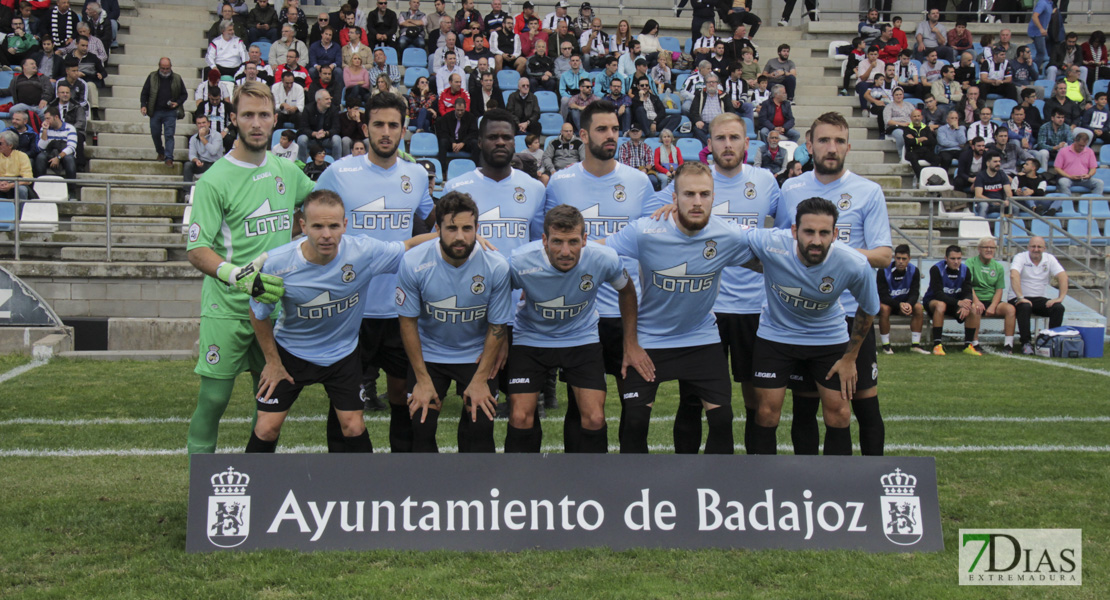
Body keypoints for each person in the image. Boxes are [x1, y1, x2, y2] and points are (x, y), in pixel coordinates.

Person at [185, 81, 316, 455]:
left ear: (275, 119)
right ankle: (200, 499)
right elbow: (196, 249)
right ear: (234, 119)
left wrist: (381, 162)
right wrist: (239, 277)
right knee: (213, 402)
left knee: (272, 410)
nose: (256, 123)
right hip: (227, 311)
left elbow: (322, 199)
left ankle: (256, 487)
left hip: (273, 311)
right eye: (247, 115)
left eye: (263, 115)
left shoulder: (286, 171)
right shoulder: (213, 181)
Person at [245, 190, 431, 454]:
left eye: (334, 225)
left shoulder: (363, 251)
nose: (326, 235)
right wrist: (273, 362)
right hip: (292, 352)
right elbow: (258, 313)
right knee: (266, 428)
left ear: (345, 224)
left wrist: (462, 239)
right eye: (318, 226)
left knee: (353, 426)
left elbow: (409, 246)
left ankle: (362, 492)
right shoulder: (277, 263)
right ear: (303, 226)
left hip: (342, 354)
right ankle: (251, 491)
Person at [648, 113, 782, 454]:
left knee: (755, 397)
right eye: (720, 138)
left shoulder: (765, 181)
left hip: (754, 308)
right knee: (693, 397)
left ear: (746, 143)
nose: (727, 145)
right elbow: (649, 213)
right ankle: (690, 475)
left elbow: (786, 232)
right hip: (704, 309)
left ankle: (753, 476)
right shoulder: (695, 181)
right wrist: (664, 210)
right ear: (709, 144)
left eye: (734, 138)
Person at [313, 91, 436, 452]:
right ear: (365, 127)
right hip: (350, 306)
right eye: (378, 124)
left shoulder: (415, 174)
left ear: (404, 130)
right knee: (346, 394)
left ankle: (401, 473)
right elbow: (313, 225)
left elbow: (429, 224)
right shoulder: (338, 173)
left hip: (400, 307)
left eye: (393, 125)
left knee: (401, 392)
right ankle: (345, 477)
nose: (385, 132)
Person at [602, 161, 750, 454]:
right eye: (689, 194)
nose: (697, 202)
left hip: (700, 339)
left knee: (722, 420)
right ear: (674, 198)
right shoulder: (646, 232)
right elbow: (594, 251)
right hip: (650, 339)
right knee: (634, 421)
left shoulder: (729, 235)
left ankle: (704, 492)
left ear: (713, 197)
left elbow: (778, 253)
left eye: (704, 194)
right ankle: (636, 494)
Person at [778, 111, 892, 458]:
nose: (832, 148)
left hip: (851, 316)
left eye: (839, 141)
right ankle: (811, 485)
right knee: (804, 408)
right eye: (824, 140)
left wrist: (831, 253)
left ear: (849, 146)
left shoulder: (868, 191)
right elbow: (783, 245)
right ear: (809, 144)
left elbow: (884, 255)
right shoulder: (791, 189)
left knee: (863, 406)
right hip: (805, 316)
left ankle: (872, 482)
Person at [542, 101, 654, 449]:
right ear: (583, 134)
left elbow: (652, 241)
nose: (611, 136)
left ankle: (630, 492)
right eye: (603, 129)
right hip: (582, 314)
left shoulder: (639, 182)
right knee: (583, 410)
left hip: (629, 314)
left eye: (615, 129)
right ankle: (584, 489)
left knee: (636, 413)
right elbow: (546, 245)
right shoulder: (560, 183)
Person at [748, 197, 880, 456]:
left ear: (836, 234)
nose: (816, 240)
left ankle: (835, 487)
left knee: (840, 413)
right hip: (776, 336)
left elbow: (868, 308)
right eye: (809, 231)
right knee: (766, 411)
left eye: (824, 233)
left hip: (827, 338)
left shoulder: (854, 263)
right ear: (795, 231)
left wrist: (850, 357)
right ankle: (763, 484)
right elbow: (724, 233)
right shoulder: (771, 243)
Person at [396, 191, 512, 453]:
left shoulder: (496, 266)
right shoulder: (413, 262)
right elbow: (407, 324)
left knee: (480, 424)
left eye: (467, 228)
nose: (460, 236)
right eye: (451, 228)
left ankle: (475, 490)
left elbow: (497, 327)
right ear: (437, 229)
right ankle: (430, 491)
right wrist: (422, 380)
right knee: (421, 423)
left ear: (477, 229)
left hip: (474, 355)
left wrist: (481, 379)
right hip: (430, 354)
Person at [1010, 236, 1068, 355]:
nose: (1036, 249)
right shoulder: (1020, 257)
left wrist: (1060, 298)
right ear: (1028, 247)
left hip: (1039, 298)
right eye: (1033, 246)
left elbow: (1063, 276)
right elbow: (1013, 275)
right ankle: (1026, 343)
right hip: (1018, 297)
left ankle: (1050, 341)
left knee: (1058, 308)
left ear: (1044, 248)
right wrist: (1021, 297)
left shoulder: (1049, 258)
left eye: (1039, 247)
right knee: (1024, 306)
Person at [921, 245, 982, 356]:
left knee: (973, 308)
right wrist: (959, 303)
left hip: (954, 303)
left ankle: (968, 345)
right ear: (946, 258)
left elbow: (968, 291)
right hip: (933, 301)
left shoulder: (965, 270)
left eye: (959, 258)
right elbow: (938, 294)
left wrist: (966, 304)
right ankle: (937, 345)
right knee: (941, 305)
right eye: (953, 258)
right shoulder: (936, 269)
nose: (956, 261)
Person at [967, 237, 1018, 353]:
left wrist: (993, 306)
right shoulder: (971, 263)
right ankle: (974, 343)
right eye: (986, 247)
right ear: (979, 249)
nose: (989, 250)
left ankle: (1008, 345)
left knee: (1010, 309)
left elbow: (999, 290)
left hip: (991, 300)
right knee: (975, 309)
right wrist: (976, 301)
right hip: (975, 299)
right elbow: (968, 286)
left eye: (992, 247)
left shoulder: (998, 267)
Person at [877, 245, 926, 355]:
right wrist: (899, 304)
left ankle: (915, 345)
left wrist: (909, 304)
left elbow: (915, 292)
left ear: (909, 258)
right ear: (894, 257)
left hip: (904, 305)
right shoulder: (884, 270)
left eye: (904, 259)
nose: (900, 261)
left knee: (918, 307)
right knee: (884, 308)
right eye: (898, 258)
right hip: (889, 304)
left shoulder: (914, 271)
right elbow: (883, 295)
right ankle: (886, 346)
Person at [140, 58, 186, 166]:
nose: (165, 71)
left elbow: (184, 94)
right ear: (159, 67)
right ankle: (160, 152)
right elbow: (144, 93)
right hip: (155, 111)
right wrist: (143, 105)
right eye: (163, 68)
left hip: (170, 112)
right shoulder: (152, 77)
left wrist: (177, 103)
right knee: (155, 134)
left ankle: (169, 157)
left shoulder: (177, 78)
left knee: (169, 135)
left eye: (167, 68)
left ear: (171, 67)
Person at [1054, 131, 1103, 196]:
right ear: (1075, 141)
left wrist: (1089, 175)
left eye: (1083, 146)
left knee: (1099, 183)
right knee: (1062, 182)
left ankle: (1095, 204)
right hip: (1068, 178)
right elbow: (1057, 168)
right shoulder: (1063, 151)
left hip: (1084, 179)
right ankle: (1068, 203)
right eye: (1080, 145)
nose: (1081, 147)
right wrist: (1069, 176)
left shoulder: (1089, 151)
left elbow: (1093, 168)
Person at [435, 96, 479, 162]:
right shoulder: (447, 117)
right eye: (458, 110)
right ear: (454, 108)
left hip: (465, 143)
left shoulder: (471, 117)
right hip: (451, 143)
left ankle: (476, 167)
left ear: (465, 108)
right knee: (443, 142)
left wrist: (463, 142)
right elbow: (444, 132)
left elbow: (473, 133)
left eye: (462, 110)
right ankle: (442, 169)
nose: (460, 112)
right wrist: (452, 142)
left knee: (475, 143)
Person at [184, 114, 224, 183]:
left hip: (215, 164)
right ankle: (187, 192)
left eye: (204, 122)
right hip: (202, 163)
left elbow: (213, 151)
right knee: (188, 165)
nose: (202, 125)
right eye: (199, 123)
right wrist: (196, 160)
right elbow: (192, 155)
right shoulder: (193, 138)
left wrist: (202, 138)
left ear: (208, 123)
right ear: (196, 125)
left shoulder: (217, 135)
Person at [973, 150, 1012, 217]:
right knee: (984, 205)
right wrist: (993, 201)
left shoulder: (1002, 174)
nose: (998, 164)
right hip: (986, 203)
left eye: (999, 161)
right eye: (995, 161)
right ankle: (981, 226)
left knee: (1014, 207)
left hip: (1000, 203)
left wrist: (1007, 201)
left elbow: (1009, 192)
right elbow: (978, 195)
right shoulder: (980, 176)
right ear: (988, 163)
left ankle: (1009, 227)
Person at [903, 108, 938, 179]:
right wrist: (922, 139)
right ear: (911, 118)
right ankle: (922, 178)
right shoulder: (907, 129)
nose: (917, 118)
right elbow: (908, 142)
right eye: (914, 116)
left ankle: (930, 176)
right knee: (913, 159)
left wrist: (915, 140)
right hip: (912, 151)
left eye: (918, 116)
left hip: (925, 151)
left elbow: (932, 142)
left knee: (937, 159)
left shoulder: (926, 128)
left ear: (921, 117)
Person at [0, 130, 33, 201]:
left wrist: (10, 185)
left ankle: (21, 212)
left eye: (0, 143)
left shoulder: (22, 156)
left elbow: (28, 179)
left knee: (22, 190)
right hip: (1, 182)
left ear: (10, 145)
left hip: (16, 183)